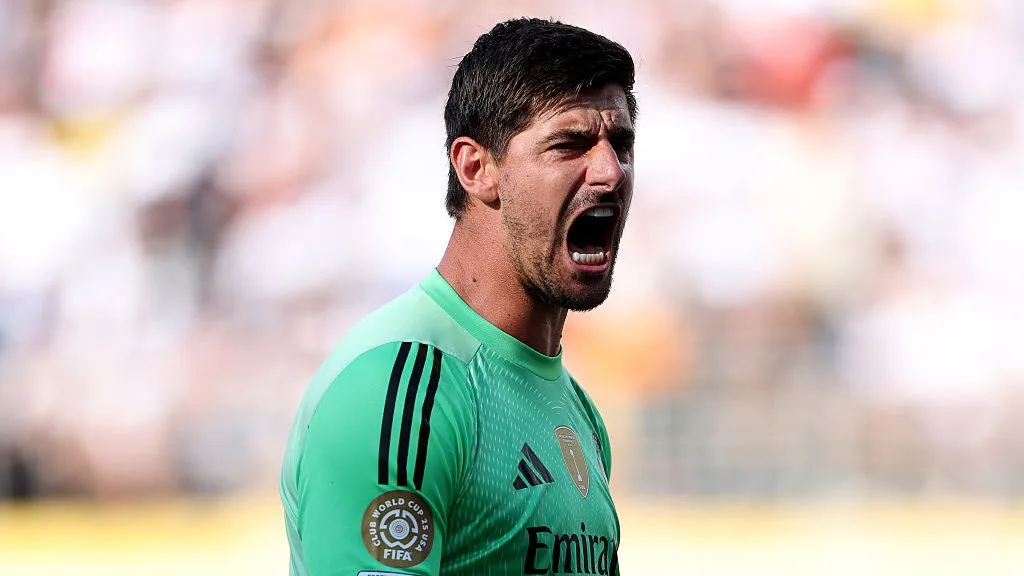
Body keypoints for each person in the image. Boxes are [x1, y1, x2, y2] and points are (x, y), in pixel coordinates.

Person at [280, 17, 637, 576]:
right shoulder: (400, 389)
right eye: (569, 144)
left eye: (621, 143)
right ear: (476, 168)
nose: (610, 171)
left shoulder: (578, 411)